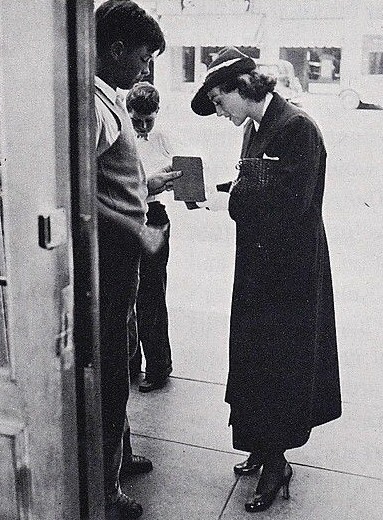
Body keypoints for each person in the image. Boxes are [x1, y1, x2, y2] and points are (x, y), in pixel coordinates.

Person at [191, 47, 342, 513]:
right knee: (255, 354)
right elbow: (255, 184)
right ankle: (259, 442)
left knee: (280, 361)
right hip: (260, 266)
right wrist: (211, 189)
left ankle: (276, 462)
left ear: (243, 87)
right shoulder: (257, 127)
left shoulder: (297, 128)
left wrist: (228, 204)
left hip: (290, 273)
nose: (219, 111)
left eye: (219, 101)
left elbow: (288, 205)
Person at [95, 2, 180, 518]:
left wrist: (142, 188)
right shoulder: (96, 105)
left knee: (121, 354)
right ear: (117, 49)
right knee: (111, 367)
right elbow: (74, 189)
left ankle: (119, 457)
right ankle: (106, 489)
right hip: (112, 257)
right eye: (144, 58)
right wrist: (135, 228)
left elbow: (108, 181)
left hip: (123, 255)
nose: (145, 70)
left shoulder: (111, 100)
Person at [126, 82, 173, 393]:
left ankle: (158, 366)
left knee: (152, 293)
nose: (143, 127)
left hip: (153, 218)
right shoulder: (121, 133)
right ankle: (130, 362)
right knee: (124, 292)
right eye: (137, 120)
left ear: (157, 114)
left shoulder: (164, 137)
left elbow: (185, 172)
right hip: (128, 216)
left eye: (149, 120)